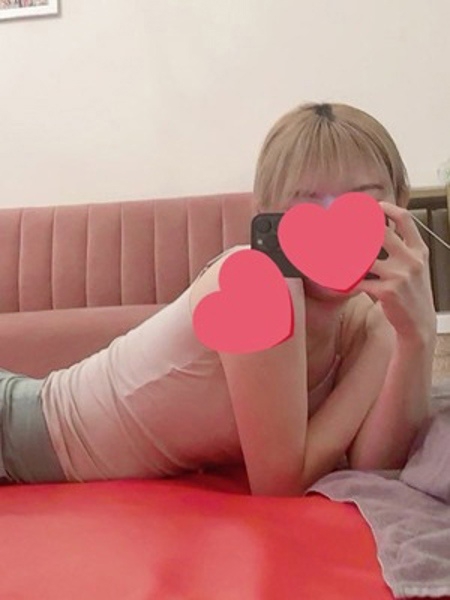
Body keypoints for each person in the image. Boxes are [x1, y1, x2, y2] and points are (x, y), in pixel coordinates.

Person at [0, 102, 437, 496]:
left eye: (362, 203)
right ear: (267, 213)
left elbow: (374, 464)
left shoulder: (363, 317)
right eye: (308, 206)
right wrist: (382, 349)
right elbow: (280, 483)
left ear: (400, 203)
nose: (335, 227)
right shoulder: (257, 280)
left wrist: (415, 336)